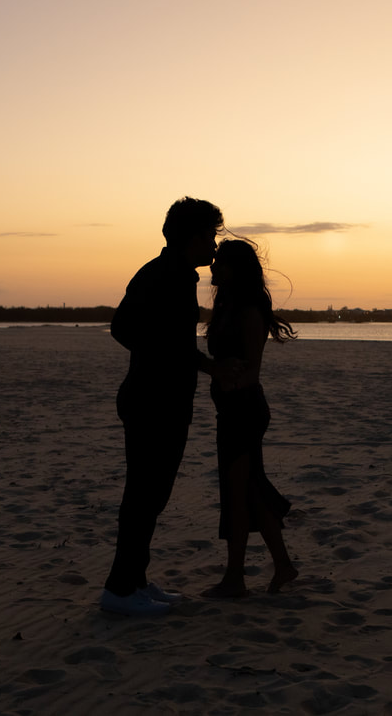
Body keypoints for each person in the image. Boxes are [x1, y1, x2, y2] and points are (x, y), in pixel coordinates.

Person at [100, 197, 228, 617]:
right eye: (211, 236)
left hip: (166, 399)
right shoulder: (162, 274)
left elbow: (174, 342)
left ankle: (135, 580)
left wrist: (195, 364)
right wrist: (170, 361)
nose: (214, 245)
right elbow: (124, 328)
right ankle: (120, 589)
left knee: (152, 495)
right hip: (152, 400)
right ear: (191, 236)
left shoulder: (177, 274)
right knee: (143, 494)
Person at [203, 239, 298, 598]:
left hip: (243, 410)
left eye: (220, 264)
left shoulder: (248, 312)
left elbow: (253, 370)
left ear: (236, 269)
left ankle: (235, 579)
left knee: (240, 493)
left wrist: (225, 380)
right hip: (230, 410)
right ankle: (281, 567)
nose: (213, 269)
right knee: (248, 492)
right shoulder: (227, 307)